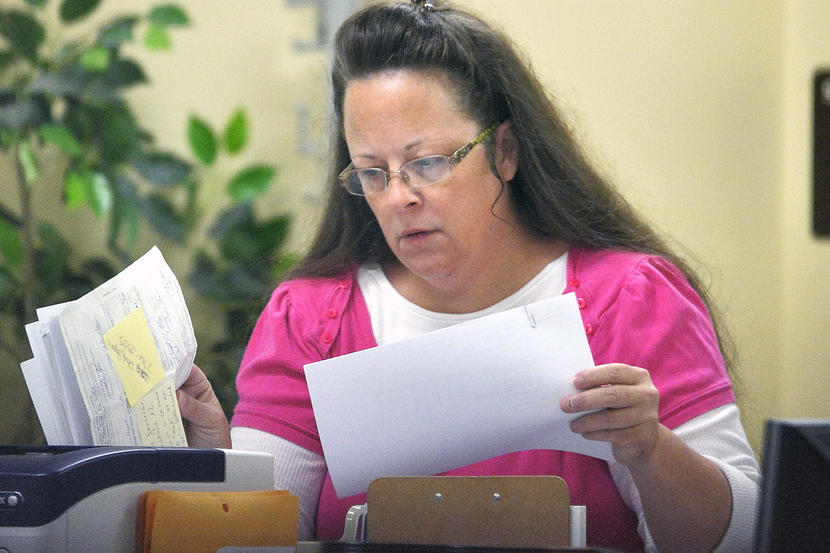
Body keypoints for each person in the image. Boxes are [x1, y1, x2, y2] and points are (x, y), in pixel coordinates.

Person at [176, 1, 761, 551]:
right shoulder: (311, 315)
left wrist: (650, 449)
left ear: (505, 151)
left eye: (428, 163)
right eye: (372, 173)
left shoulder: (630, 297)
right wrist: (212, 459)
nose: (399, 197)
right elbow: (258, 535)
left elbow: (739, 536)